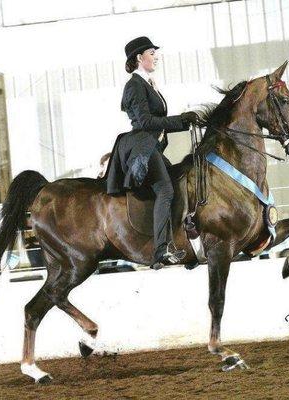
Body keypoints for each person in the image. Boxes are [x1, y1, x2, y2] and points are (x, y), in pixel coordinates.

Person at [106, 36, 198, 270]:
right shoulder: (135, 85)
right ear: (139, 58)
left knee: (175, 183)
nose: (156, 56)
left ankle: (179, 242)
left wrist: (184, 121)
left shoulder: (148, 83)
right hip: (141, 145)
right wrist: (180, 121)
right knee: (166, 189)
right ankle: (160, 250)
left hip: (151, 145)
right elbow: (146, 121)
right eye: (151, 53)